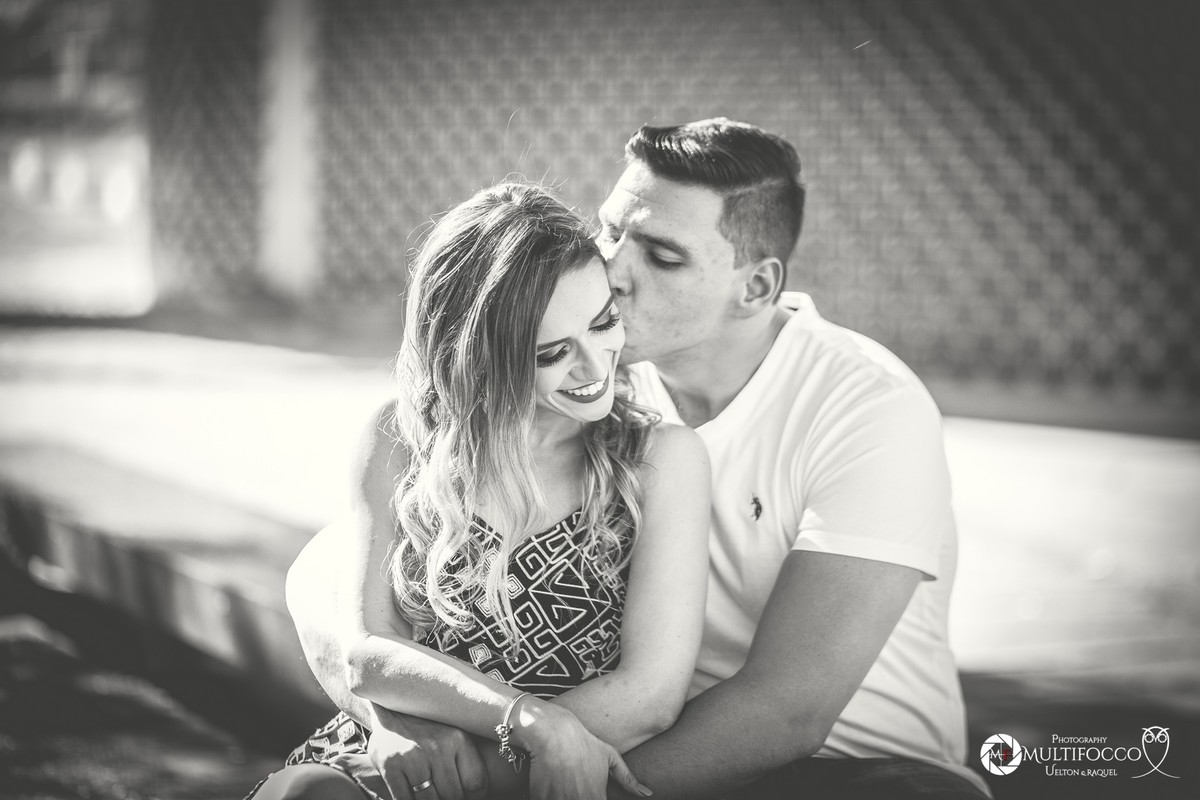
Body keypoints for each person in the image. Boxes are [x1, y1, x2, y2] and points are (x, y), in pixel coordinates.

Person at [287, 119, 991, 799]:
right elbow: (335, 570)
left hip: (843, 764)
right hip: (607, 739)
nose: (614, 271)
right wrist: (386, 709)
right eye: (612, 230)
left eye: (662, 255)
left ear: (755, 287)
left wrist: (503, 777)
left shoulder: (867, 407)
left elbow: (787, 715)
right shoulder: (594, 371)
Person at [248, 183, 711, 800]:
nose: (597, 368)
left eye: (603, 322)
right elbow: (367, 653)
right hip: (393, 757)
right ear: (481, 358)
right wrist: (529, 721)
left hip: (545, 776)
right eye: (552, 352)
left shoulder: (660, 458)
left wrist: (498, 762)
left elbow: (648, 697)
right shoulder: (400, 439)